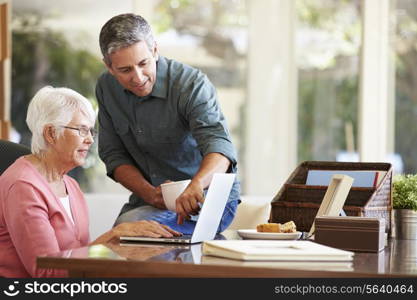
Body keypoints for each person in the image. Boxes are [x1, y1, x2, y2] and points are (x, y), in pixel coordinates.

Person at [0, 86, 181, 278]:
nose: (89, 140)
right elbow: (48, 273)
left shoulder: (71, 185)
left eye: (90, 131)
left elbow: (76, 255)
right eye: (81, 130)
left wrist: (125, 243)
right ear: (51, 134)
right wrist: (112, 236)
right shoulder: (22, 187)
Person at [96, 13, 241, 234]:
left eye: (143, 63)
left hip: (209, 199)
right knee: (122, 235)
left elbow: (219, 148)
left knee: (127, 231)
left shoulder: (191, 84)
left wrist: (196, 185)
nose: (138, 77)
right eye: (125, 70)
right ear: (109, 66)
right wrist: (149, 194)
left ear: (155, 50)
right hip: (147, 201)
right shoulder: (106, 88)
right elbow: (113, 155)